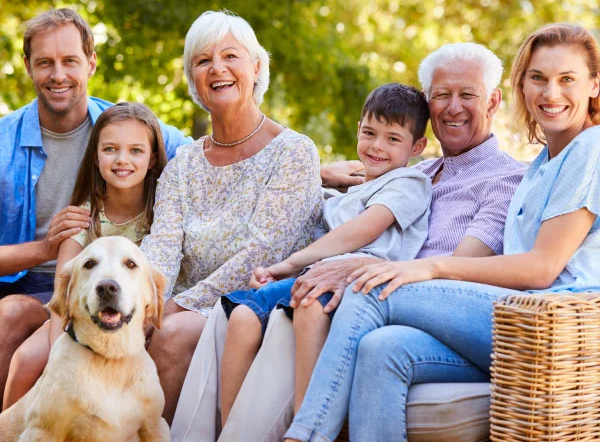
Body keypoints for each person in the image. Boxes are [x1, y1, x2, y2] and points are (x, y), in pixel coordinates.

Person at [171, 42, 527, 441]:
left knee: (311, 306)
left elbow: (456, 275)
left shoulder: (505, 179)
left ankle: (300, 433)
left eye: (468, 95)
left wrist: (360, 268)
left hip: (410, 306)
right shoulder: (417, 168)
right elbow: (356, 183)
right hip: (357, 289)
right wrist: (323, 173)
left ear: (493, 101)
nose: (453, 107)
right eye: (442, 95)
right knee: (236, 311)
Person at [285, 22, 600, 442]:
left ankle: (304, 436)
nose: (550, 93)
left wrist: (429, 269)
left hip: (551, 325)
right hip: (510, 324)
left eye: (567, 80)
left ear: (594, 85)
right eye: (538, 78)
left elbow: (543, 268)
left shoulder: (590, 147)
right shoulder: (542, 163)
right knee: (382, 350)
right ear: (522, 86)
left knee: (368, 288)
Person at [140, 10, 323, 424]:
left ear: (256, 66)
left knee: (168, 338)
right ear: (193, 80)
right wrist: (145, 306)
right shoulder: (183, 164)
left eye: (230, 56)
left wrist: (175, 310)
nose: (217, 68)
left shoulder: (294, 152)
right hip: (178, 306)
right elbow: (161, 248)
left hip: (249, 305)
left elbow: (261, 252)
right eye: (203, 61)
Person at [0, 8, 190, 403]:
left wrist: (317, 171)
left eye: (70, 60)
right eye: (44, 63)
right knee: (11, 314)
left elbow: (214, 157)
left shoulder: (122, 127)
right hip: (35, 289)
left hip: (111, 289)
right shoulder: (3, 143)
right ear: (27, 67)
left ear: (91, 62)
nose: (58, 75)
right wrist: (44, 249)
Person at [217, 83, 431, 427]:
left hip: (357, 281)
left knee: (310, 303)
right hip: (314, 274)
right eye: (369, 133)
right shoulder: (348, 191)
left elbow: (363, 230)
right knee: (242, 315)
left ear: (417, 146)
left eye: (393, 139)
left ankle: (307, 423)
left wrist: (289, 264)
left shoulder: (409, 183)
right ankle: (229, 429)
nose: (377, 146)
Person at [2, 102, 167, 410]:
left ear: (153, 156)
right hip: (84, 321)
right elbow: (62, 298)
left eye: (136, 151)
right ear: (95, 154)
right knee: (26, 359)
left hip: (137, 322)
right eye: (110, 149)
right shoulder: (84, 215)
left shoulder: (164, 212)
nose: (122, 160)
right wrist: (58, 358)